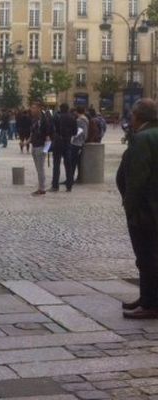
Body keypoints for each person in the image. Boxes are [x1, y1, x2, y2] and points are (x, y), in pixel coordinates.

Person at [118, 98, 158, 319]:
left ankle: (151, 303)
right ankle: (146, 296)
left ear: (138, 116)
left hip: (145, 209)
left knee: (146, 256)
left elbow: (137, 178)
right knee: (151, 254)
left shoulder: (143, 138)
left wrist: (130, 207)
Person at [51, 103, 77, 192]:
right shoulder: (72, 118)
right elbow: (75, 132)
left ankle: (55, 185)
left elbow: (51, 130)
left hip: (58, 142)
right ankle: (69, 185)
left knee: (56, 164)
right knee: (68, 165)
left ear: (60, 109)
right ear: (68, 109)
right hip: (67, 142)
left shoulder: (56, 117)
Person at [28, 102, 53, 196]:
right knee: (38, 168)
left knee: (40, 168)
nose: (31, 110)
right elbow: (33, 132)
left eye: (33, 108)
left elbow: (48, 134)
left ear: (39, 109)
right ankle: (40, 187)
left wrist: (47, 145)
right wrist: (28, 141)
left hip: (41, 145)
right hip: (34, 145)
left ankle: (42, 188)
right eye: (31, 107)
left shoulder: (45, 119)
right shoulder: (34, 119)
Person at [71, 105, 89, 183]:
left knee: (73, 162)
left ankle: (71, 178)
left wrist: (73, 137)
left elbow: (81, 131)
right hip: (80, 142)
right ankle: (77, 177)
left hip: (77, 143)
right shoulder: (85, 119)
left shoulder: (80, 120)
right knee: (77, 161)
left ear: (76, 112)